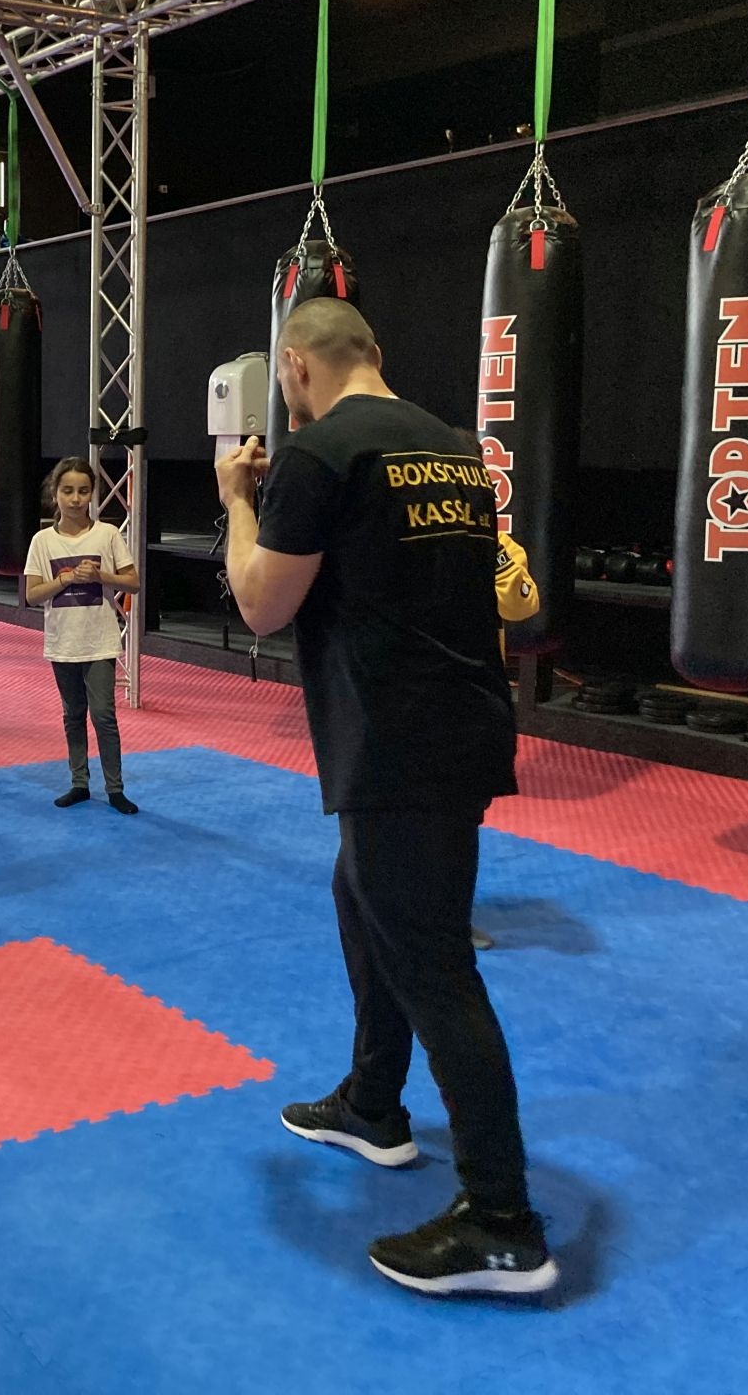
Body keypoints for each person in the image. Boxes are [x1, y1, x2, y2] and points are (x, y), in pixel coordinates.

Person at [213, 297, 555, 1297]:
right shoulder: (454, 449)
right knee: (361, 900)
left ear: (294, 365)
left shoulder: (322, 454)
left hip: (398, 741)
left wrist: (238, 501)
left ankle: (503, 1222)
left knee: (435, 967)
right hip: (460, 722)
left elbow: (260, 604)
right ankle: (373, 1103)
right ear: (375, 351)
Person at [23, 456, 142, 814]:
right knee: (73, 715)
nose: (75, 499)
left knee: (103, 715)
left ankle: (115, 788)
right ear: (55, 494)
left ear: (92, 494)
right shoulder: (43, 541)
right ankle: (79, 782)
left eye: (83, 491)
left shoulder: (107, 534)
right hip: (63, 642)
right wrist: (64, 580)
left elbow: (133, 582)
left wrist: (100, 576)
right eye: (68, 491)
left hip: (100, 640)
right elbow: (32, 595)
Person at [472, 527, 541, 951]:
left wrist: (492, 551)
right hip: (417, 688)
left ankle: (451, 914)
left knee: (465, 815)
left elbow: (521, 606)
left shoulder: (503, 545)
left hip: (479, 691)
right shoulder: (414, 536)